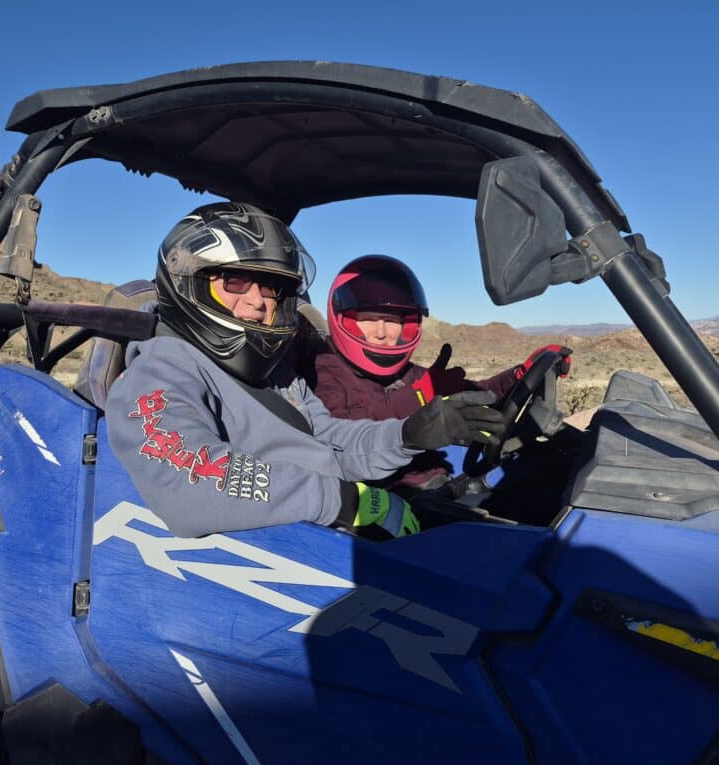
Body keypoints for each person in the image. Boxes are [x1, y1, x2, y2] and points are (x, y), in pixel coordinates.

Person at [105, 203, 506, 540]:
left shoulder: (276, 374)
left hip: (324, 530)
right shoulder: (162, 370)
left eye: (269, 288)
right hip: (288, 552)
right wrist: (343, 501)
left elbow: (330, 442)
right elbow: (190, 478)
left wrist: (408, 434)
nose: (258, 302)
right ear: (189, 282)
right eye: (236, 281)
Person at [311, 255, 571, 489]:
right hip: (387, 499)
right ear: (344, 319)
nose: (381, 332)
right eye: (368, 319)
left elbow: (477, 395)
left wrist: (517, 375)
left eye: (391, 322)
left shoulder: (405, 374)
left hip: (436, 483)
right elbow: (344, 436)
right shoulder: (325, 371)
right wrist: (420, 396)